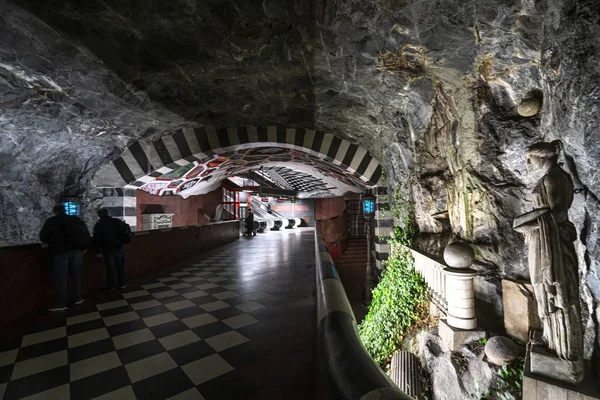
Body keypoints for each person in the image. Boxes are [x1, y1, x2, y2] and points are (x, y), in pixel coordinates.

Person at [513, 140, 583, 369]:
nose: (528, 162)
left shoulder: (554, 177)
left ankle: (564, 351)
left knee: (551, 287)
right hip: (542, 239)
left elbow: (559, 213)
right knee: (541, 287)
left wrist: (524, 221)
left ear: (542, 157)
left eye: (530, 157)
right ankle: (552, 339)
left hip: (550, 241)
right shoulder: (550, 176)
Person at [39, 204, 88, 311]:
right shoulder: (75, 219)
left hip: (61, 252)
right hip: (76, 251)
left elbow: (43, 236)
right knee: (77, 275)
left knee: (61, 278)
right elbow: (85, 233)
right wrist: (84, 247)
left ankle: (61, 303)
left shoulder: (51, 221)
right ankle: (78, 298)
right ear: (65, 210)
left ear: (55, 211)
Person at [93, 208, 127, 290]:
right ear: (107, 213)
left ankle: (112, 285)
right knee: (120, 266)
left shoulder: (99, 224)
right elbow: (123, 233)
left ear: (99, 215)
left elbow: (96, 239)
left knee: (110, 267)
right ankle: (122, 283)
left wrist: (97, 250)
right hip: (118, 246)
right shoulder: (117, 221)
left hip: (107, 249)